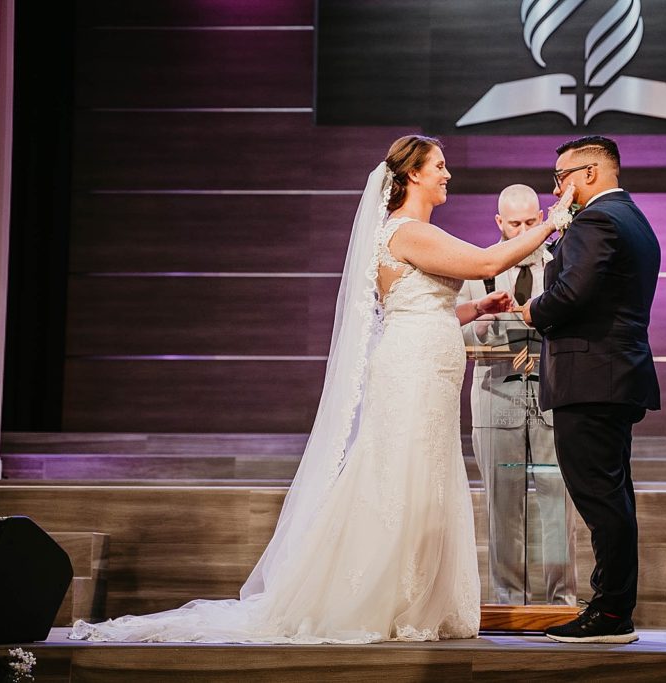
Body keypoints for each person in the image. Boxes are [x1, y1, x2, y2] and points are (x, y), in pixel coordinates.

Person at [70, 135, 572, 644]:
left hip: (428, 369)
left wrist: (473, 310)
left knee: (423, 483)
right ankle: (380, 598)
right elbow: (489, 263)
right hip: (413, 372)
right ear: (414, 174)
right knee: (403, 482)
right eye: (440, 166)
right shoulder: (408, 232)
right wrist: (554, 220)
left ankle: (414, 597)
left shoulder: (409, 234)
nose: (448, 174)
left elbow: (419, 306)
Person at [518, 136, 661, 643]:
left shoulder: (598, 220)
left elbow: (573, 292)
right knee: (612, 495)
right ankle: (612, 605)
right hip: (615, 374)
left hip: (592, 376)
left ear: (590, 173)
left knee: (600, 497)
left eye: (561, 178)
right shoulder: (634, 219)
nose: (557, 189)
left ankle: (610, 613)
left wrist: (532, 311)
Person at [458, 184, 577, 606]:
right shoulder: (480, 266)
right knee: (502, 508)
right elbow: (458, 327)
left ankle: (562, 601)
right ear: (499, 223)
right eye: (515, 224)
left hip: (549, 397)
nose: (524, 230)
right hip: (495, 397)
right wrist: (486, 320)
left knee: (557, 506)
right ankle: (510, 602)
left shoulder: (562, 263)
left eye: (531, 222)